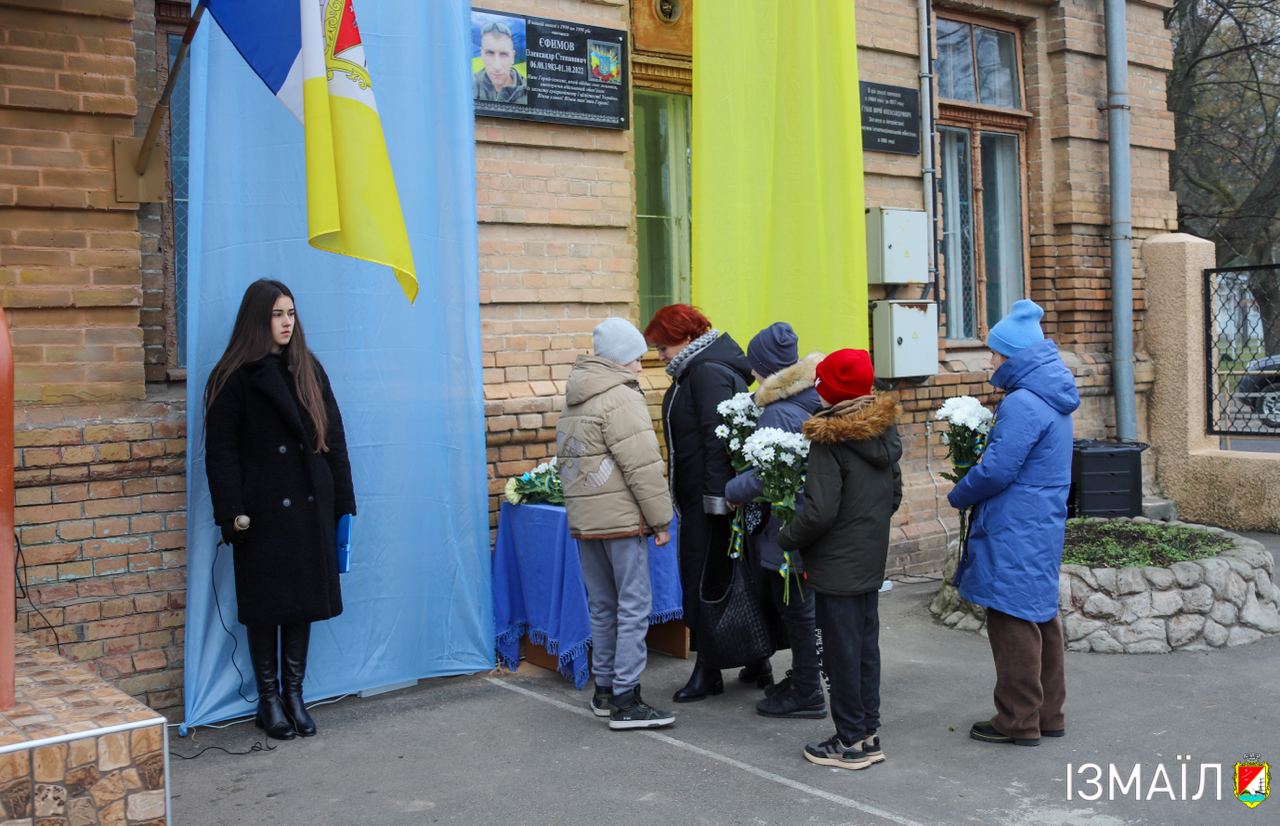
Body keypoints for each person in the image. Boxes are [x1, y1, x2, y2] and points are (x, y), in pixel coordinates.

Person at [204, 279, 355, 741]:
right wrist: (232, 513)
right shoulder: (233, 377)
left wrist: (344, 501)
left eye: (291, 313)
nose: (287, 322)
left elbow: (335, 437)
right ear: (258, 319)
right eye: (276, 314)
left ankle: (295, 694)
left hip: (310, 506)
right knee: (266, 607)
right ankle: (268, 700)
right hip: (262, 513)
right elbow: (221, 452)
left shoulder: (308, 368)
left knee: (301, 605)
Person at [947, 299, 1079, 747]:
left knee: (1011, 619)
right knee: (1040, 614)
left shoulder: (1023, 401)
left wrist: (959, 493)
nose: (991, 360)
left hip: (1014, 523)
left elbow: (998, 470)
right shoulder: (1051, 391)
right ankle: (1049, 714)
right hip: (1039, 520)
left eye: (996, 353)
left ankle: (1018, 720)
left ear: (1015, 356)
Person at [778, 349, 902, 771]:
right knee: (865, 648)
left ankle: (849, 742)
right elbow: (894, 496)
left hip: (835, 564)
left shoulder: (829, 437)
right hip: (868, 559)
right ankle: (867, 733)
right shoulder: (883, 431)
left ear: (827, 390)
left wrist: (787, 536)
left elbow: (818, 511)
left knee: (841, 653)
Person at [557, 318, 676, 730]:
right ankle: (627, 699)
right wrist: (662, 519)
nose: (642, 367)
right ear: (621, 359)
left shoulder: (577, 394)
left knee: (603, 608)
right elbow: (643, 465)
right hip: (622, 520)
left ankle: (605, 691)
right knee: (634, 607)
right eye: (636, 358)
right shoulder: (621, 398)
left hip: (587, 521)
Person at [643, 305, 754, 703]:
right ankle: (755, 662)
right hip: (706, 498)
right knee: (726, 579)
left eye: (663, 346)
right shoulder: (700, 367)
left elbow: (716, 440)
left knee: (705, 583)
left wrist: (713, 501)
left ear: (687, 338)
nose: (659, 355)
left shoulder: (705, 371)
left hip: (710, 503)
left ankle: (708, 670)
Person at [725, 323, 826, 719]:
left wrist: (731, 490)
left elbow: (769, 473)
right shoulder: (810, 396)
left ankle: (808, 691)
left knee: (798, 610)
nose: (751, 374)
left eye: (755, 366)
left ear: (765, 368)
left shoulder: (778, 413)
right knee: (802, 607)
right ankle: (804, 678)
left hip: (787, 525)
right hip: (807, 521)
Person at [473, 20, 528, 105]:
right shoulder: (468, 87)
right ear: (482, 55)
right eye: (490, 53)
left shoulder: (530, 93)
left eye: (504, 54)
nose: (497, 66)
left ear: (512, 57)